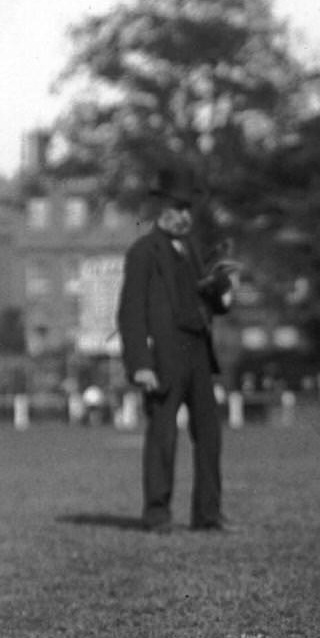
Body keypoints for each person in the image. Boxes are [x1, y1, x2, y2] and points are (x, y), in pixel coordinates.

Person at [116, 166, 236, 533]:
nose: (186, 217)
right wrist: (140, 364)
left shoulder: (193, 250)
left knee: (210, 436)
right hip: (163, 356)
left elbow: (209, 301)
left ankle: (208, 515)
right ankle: (157, 514)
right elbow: (130, 312)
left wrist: (223, 291)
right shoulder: (142, 252)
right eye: (179, 209)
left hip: (198, 351)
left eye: (189, 210)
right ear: (161, 209)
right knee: (163, 437)